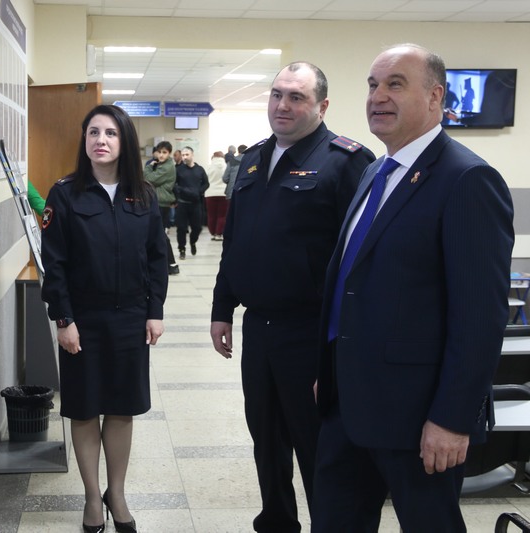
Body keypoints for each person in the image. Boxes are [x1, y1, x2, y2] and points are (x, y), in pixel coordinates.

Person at [313, 43, 514, 532]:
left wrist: (452, 419)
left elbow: (480, 318)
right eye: (372, 85)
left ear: (435, 97)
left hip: (420, 418)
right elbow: (352, 283)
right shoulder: (374, 173)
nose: (378, 96)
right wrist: (329, 371)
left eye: (395, 84)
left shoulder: (467, 179)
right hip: (348, 405)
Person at [210, 61, 375, 533]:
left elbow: (360, 260)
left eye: (296, 97)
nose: (283, 105)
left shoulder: (345, 161)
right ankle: (277, 520)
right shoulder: (254, 159)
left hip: (310, 331)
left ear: (322, 105)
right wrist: (223, 308)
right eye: (277, 94)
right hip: (259, 327)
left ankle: (330, 524)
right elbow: (236, 241)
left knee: (316, 443)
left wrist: (341, 348)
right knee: (265, 437)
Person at [40, 104, 168, 533]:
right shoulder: (65, 193)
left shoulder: (143, 195)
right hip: (83, 320)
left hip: (130, 317)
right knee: (84, 410)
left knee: (121, 409)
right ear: (84, 140)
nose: (101, 140)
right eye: (93, 132)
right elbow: (55, 263)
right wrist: (64, 319)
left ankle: (118, 493)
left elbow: (157, 258)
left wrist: (154, 312)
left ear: (124, 141)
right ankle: (93, 498)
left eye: (111, 133)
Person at [144, 140, 179, 274]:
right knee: (158, 234)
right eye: (159, 152)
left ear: (169, 153)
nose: (161, 155)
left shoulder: (167, 167)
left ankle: (172, 263)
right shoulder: (162, 165)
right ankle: (168, 263)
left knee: (161, 235)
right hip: (159, 201)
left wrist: (149, 167)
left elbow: (149, 179)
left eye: (164, 152)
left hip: (161, 203)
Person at [174, 146, 209, 259]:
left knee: (197, 227)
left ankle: (193, 242)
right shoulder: (179, 169)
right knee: (181, 228)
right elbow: (174, 184)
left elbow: (206, 183)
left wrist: (199, 191)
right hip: (182, 203)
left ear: (192, 155)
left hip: (196, 203)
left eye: (187, 155)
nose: (184, 157)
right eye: (183, 155)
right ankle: (182, 249)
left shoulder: (200, 169)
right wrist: (180, 191)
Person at [205, 150, 228, 240]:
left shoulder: (209, 167)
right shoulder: (226, 166)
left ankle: (213, 233)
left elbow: (205, 179)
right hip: (223, 193)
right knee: (222, 215)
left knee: (211, 215)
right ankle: (219, 234)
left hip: (210, 193)